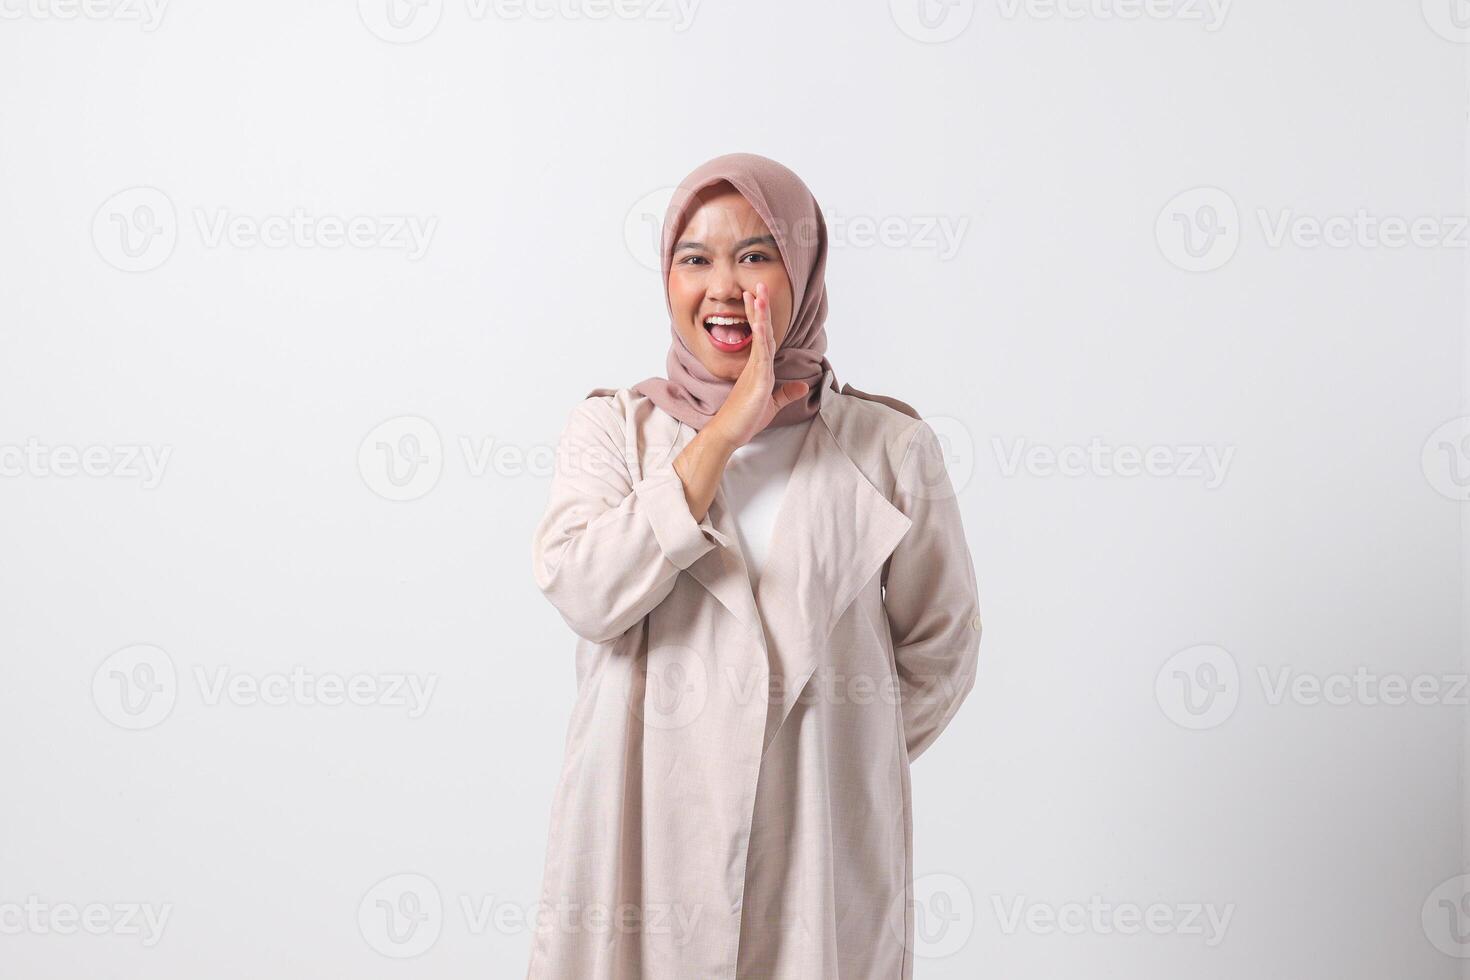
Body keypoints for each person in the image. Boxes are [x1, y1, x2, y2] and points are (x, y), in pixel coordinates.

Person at [526, 152, 982, 979]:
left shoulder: (890, 450)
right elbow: (586, 590)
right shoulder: (612, 433)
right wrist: (725, 432)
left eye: (755, 254)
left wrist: (836, 759)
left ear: (801, 271)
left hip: (813, 843)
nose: (724, 287)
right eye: (693, 258)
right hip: (640, 833)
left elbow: (941, 651)